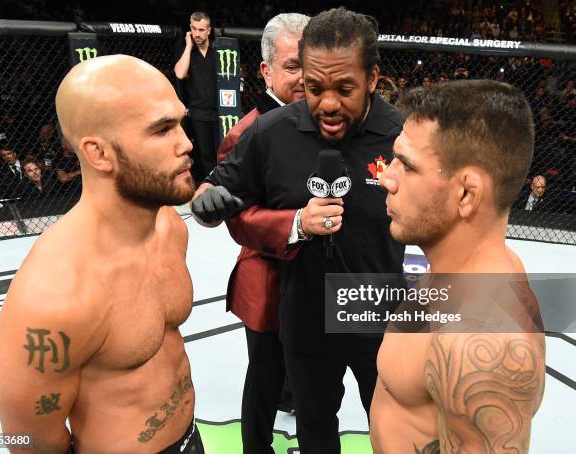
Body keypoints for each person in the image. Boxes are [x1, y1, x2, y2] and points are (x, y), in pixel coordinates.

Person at [192, 8, 405, 453]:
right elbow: (216, 188)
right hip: (306, 315)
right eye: (314, 86)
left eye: (344, 88)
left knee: (396, 432)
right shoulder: (271, 132)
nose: (328, 103)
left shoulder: (403, 135)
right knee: (314, 429)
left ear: (372, 79)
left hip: (377, 313)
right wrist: (207, 202)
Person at [0, 54, 205, 454]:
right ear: (99, 153)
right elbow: (30, 442)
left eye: (180, 122)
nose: (187, 143)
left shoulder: (169, 228)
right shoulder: (55, 296)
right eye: (162, 130)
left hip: (191, 437)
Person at [371, 80, 545, 452]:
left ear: (466, 193)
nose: (387, 177)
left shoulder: (484, 347)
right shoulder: (460, 265)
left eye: (408, 165)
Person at [214, 13, 308, 454]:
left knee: (313, 377)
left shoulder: (332, 121)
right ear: (267, 70)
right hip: (270, 273)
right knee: (265, 377)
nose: (307, 76)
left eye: (313, 63)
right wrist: (296, 226)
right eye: (294, 66)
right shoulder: (246, 132)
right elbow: (237, 218)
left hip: (325, 276)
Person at [175, 11, 218, 182]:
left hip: (219, 111)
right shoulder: (187, 50)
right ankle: (209, 188)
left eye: (201, 30)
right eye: (194, 29)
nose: (197, 34)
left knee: (222, 152)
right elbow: (180, 73)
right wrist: (188, 46)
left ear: (209, 30)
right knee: (205, 155)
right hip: (198, 112)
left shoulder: (218, 49)